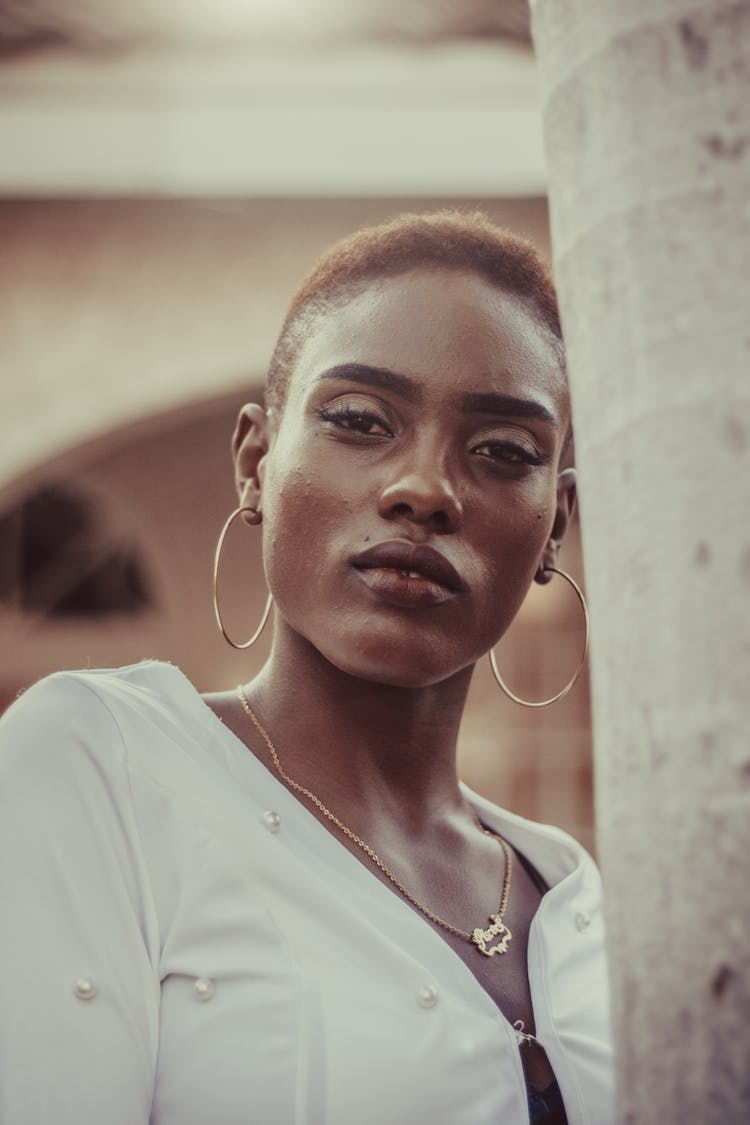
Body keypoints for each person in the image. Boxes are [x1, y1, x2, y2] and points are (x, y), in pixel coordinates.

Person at [0, 211, 613, 1124]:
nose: (424, 489)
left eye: (503, 451)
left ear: (554, 521)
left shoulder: (571, 894)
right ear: (256, 463)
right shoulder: (99, 766)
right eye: (361, 421)